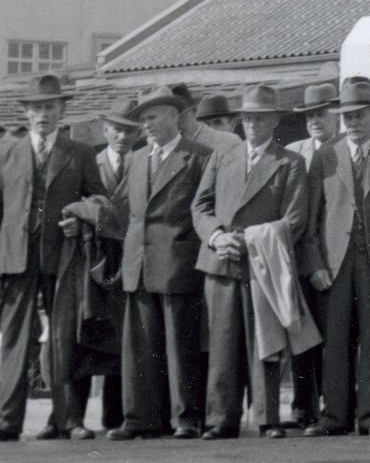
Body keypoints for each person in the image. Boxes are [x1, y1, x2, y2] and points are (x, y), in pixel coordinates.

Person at [0, 73, 103, 442]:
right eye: (36, 108)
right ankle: (6, 421)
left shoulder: (79, 153)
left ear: (62, 111)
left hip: (62, 258)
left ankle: (68, 420)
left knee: (65, 337)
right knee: (14, 338)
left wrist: (79, 218)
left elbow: (99, 201)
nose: (42, 114)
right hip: (15, 258)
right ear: (26, 113)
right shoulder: (7, 152)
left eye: (49, 107)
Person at [192, 83, 311, 440]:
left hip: (262, 263)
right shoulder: (222, 157)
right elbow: (201, 206)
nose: (252, 125)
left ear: (274, 121)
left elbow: (295, 219)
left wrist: (247, 240)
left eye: (260, 118)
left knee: (266, 341)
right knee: (222, 342)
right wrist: (217, 236)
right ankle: (221, 419)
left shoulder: (290, 162)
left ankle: (267, 416)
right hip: (221, 262)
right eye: (247, 118)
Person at [302, 77, 370, 437]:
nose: (353, 123)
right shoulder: (325, 156)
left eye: (360, 115)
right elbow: (312, 219)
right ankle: (334, 415)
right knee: (335, 338)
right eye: (347, 116)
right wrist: (315, 263)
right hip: (335, 261)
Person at [108, 87, 210, 440]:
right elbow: (121, 211)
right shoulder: (137, 160)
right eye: (143, 120)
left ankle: (187, 418)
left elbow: (205, 210)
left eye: (152, 118)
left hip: (178, 262)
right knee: (139, 344)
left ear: (173, 116)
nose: (146, 125)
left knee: (179, 345)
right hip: (138, 262)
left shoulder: (198, 157)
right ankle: (140, 418)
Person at [63, 104, 138, 438]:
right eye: (116, 130)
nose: (123, 137)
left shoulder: (144, 165)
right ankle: (74, 418)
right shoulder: (87, 163)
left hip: (128, 260)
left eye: (130, 131)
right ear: (105, 130)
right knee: (85, 334)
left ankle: (115, 418)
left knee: (121, 338)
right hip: (90, 261)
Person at [285, 81, 341, 430]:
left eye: (321, 113)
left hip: (331, 256)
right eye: (309, 115)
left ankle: (332, 404)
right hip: (295, 258)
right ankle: (302, 404)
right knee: (300, 334)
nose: (315, 120)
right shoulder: (295, 152)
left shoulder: (341, 151)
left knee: (332, 333)